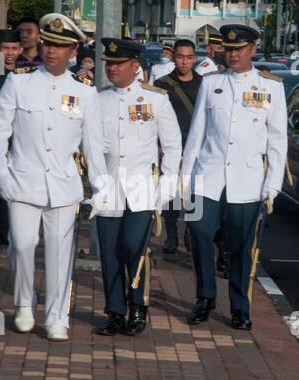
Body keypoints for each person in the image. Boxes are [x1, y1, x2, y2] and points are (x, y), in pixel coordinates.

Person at [0, 13, 108, 341]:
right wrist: (2, 177)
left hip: (63, 186)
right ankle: (23, 304)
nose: (51, 52)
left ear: (73, 50)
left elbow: (93, 144)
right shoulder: (18, 82)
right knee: (21, 244)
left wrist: (101, 186)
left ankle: (57, 316)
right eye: (48, 44)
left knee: (61, 255)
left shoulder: (85, 93)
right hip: (21, 181)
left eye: (60, 47)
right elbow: (1, 132)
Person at [182, 24, 288, 330]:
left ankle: (240, 306)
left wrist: (272, 186)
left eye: (239, 49)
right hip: (207, 176)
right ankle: (205, 297)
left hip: (248, 181)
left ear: (253, 50)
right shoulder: (211, 83)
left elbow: (277, 140)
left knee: (242, 245)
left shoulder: (272, 87)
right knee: (199, 232)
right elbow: (197, 133)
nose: (234, 54)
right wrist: (186, 179)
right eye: (229, 49)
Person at [88, 38, 181, 336]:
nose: (112, 69)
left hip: (142, 187)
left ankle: (138, 305)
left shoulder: (156, 99)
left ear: (134, 66)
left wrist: (166, 188)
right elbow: (90, 147)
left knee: (133, 246)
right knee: (110, 253)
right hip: (109, 187)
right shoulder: (98, 99)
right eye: (109, 64)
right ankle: (115, 311)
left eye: (118, 64)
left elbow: (172, 145)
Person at [154, 39, 201, 254]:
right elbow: (152, 119)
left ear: (195, 58)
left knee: (194, 193)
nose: (184, 61)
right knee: (170, 194)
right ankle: (171, 234)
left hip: (196, 148)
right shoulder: (162, 85)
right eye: (180, 56)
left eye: (189, 57)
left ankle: (192, 231)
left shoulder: (204, 84)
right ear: (173, 58)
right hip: (169, 148)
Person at [0, 30, 23, 247]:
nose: (9, 53)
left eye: (14, 48)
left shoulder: (25, 75)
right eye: (5, 48)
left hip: (17, 144)